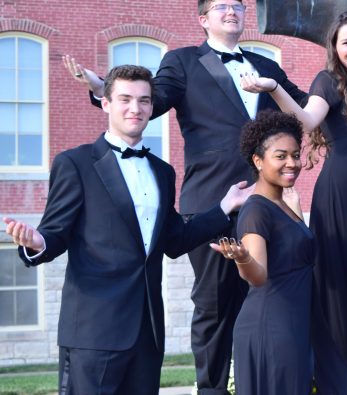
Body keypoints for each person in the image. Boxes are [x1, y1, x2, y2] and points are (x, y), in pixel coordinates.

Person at [61, 1, 308, 392]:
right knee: (214, 307)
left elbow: (305, 108)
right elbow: (150, 101)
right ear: (203, 19)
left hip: (269, 204)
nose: (232, 11)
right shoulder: (182, 61)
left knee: (268, 302)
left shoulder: (266, 66)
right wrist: (100, 87)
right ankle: (210, 390)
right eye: (222, 5)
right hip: (213, 205)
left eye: (239, 5)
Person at [2, 65, 249, 395]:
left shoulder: (162, 172)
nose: (136, 108)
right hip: (93, 334)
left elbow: (175, 240)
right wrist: (37, 242)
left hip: (146, 334)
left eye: (144, 101)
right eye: (125, 99)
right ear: (105, 103)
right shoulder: (75, 163)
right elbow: (55, 233)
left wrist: (224, 207)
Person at [239, 12, 347, 392]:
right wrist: (274, 86)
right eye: (346, 43)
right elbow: (305, 121)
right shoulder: (329, 81)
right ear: (334, 50)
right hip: (343, 194)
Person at [209, 110, 347, 395]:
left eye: (296, 155)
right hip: (272, 328)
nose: (292, 163)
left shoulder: (283, 203)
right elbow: (258, 276)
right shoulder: (256, 210)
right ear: (258, 161)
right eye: (281, 156)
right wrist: (243, 258)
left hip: (294, 323)